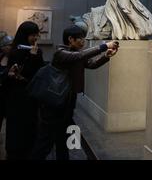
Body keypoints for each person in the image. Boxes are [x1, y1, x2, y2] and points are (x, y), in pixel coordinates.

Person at [31, 25, 119, 160]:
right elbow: (80, 56)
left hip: (67, 101)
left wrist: (105, 56)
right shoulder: (60, 53)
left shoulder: (75, 53)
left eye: (83, 39)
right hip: (53, 103)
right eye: (80, 39)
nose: (83, 42)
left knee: (62, 139)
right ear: (70, 39)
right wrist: (104, 46)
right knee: (46, 140)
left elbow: (91, 64)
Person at [5, 21, 44, 160]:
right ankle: (14, 152)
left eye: (36, 35)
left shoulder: (37, 52)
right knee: (15, 125)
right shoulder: (14, 51)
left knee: (30, 123)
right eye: (33, 35)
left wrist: (34, 57)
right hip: (16, 95)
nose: (35, 38)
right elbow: (10, 75)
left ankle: (28, 150)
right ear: (25, 35)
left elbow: (37, 73)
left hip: (30, 95)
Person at [0, 35, 13, 135]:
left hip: (9, 96)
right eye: (9, 45)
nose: (11, 47)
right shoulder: (1, 57)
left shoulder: (15, 59)